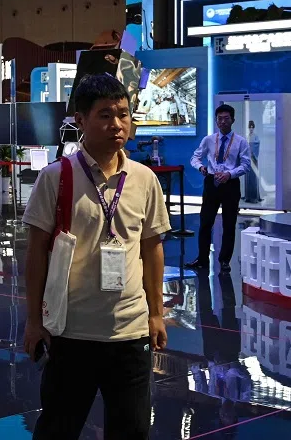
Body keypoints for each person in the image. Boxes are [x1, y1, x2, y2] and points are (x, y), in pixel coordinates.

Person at [22, 73, 172, 440]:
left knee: (131, 431)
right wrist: (32, 320)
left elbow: (152, 249)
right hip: (72, 333)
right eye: (105, 115)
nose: (117, 124)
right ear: (81, 119)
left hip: (129, 333)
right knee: (58, 430)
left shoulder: (144, 179)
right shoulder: (55, 178)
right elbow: (37, 252)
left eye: (123, 114)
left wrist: (155, 313)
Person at [185, 105, 251, 273]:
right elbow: (195, 157)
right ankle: (202, 259)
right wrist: (201, 167)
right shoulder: (208, 140)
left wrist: (230, 174)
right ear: (216, 121)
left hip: (230, 185)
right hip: (212, 182)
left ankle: (224, 260)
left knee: (229, 224)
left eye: (226, 118)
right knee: (205, 223)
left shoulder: (241, 142)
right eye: (219, 119)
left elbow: (246, 165)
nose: (222, 122)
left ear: (233, 120)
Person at [245, 120, 262, 204]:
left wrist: (251, 149)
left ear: (254, 128)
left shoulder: (255, 137)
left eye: (252, 127)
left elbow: (257, 144)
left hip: (254, 159)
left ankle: (254, 197)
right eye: (250, 127)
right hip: (248, 160)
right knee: (248, 177)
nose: (251, 129)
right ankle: (248, 196)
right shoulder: (247, 136)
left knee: (254, 177)